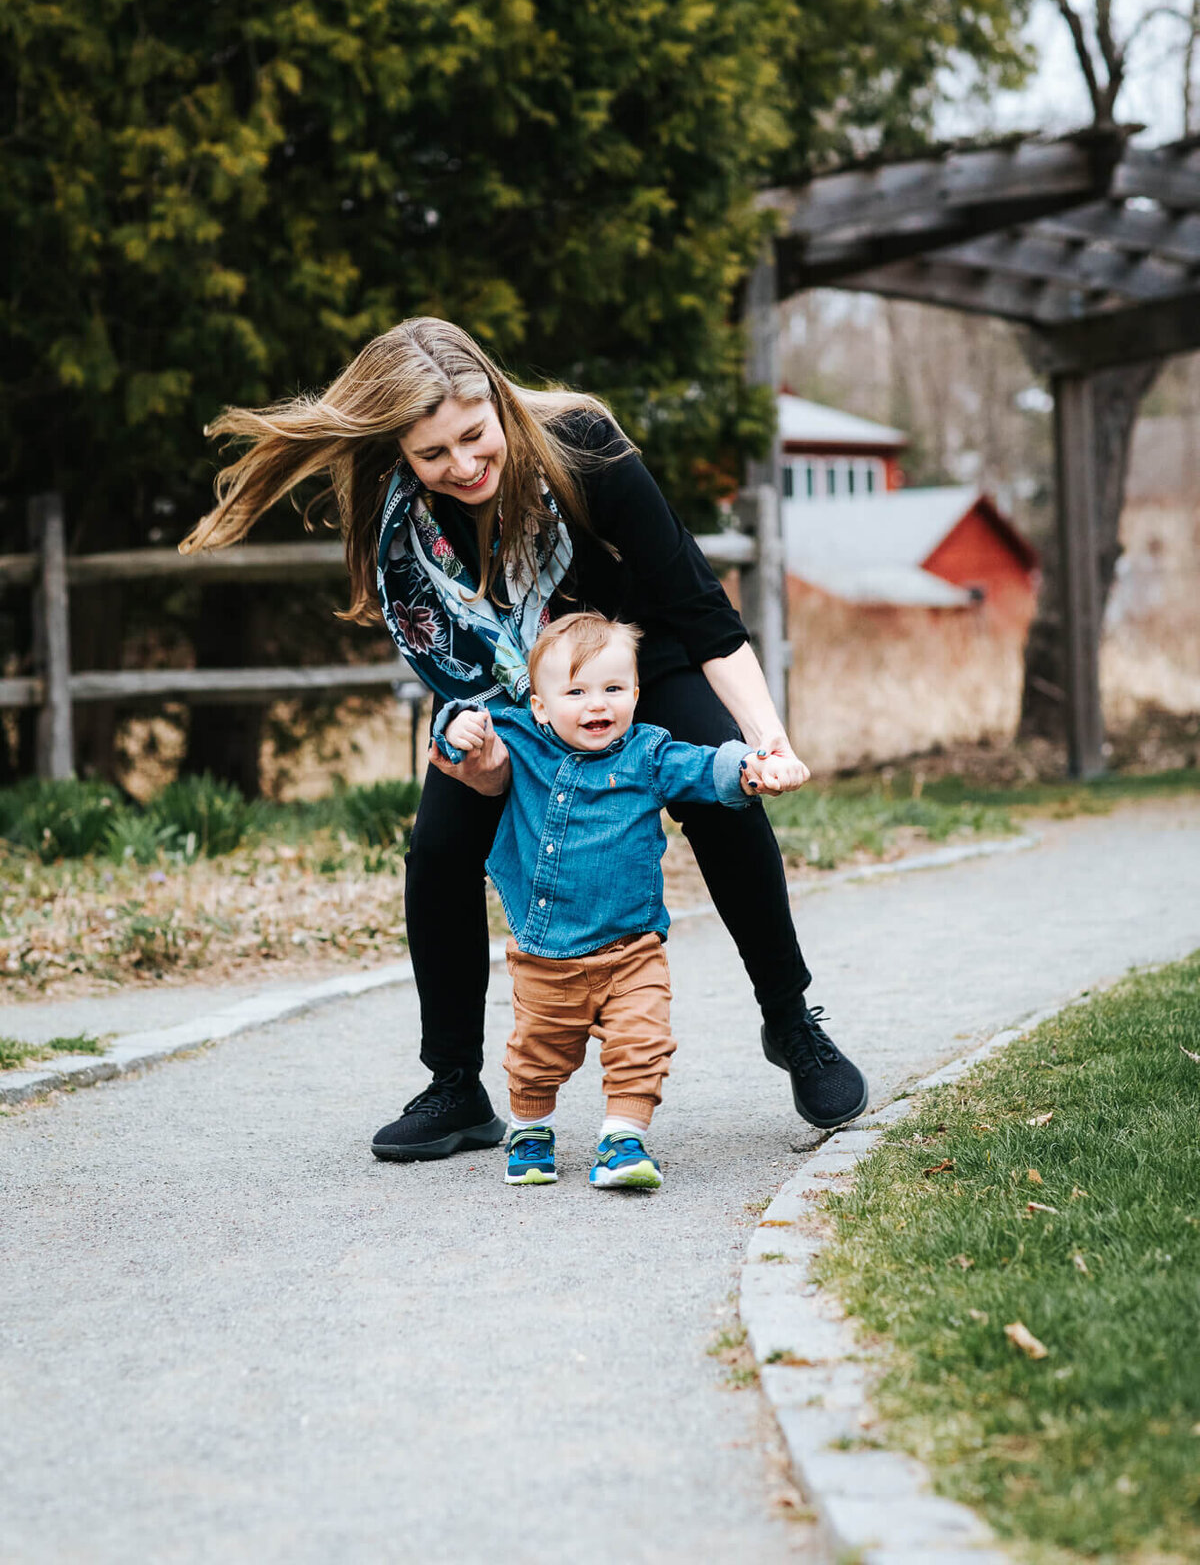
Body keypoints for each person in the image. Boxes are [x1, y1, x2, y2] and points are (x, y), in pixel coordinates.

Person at [181, 317, 868, 1157]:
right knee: (439, 846)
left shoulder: (582, 449)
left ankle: (791, 1021)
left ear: (497, 403)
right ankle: (456, 1088)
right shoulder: (400, 516)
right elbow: (450, 658)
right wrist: (487, 759)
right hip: (510, 695)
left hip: (636, 659)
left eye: (475, 437)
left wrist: (767, 742)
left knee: (721, 801)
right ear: (400, 449)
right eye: (434, 454)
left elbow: (703, 612)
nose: (463, 467)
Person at [434, 611, 807, 1190]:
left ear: (636, 693)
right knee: (537, 1055)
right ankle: (530, 1132)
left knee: (644, 1045)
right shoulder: (521, 742)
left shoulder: (648, 755)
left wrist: (755, 768)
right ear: (540, 705)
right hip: (546, 954)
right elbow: (464, 719)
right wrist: (456, 728)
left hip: (632, 950)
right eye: (576, 692)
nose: (596, 705)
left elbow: (706, 766)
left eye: (613, 689)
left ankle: (622, 1141)